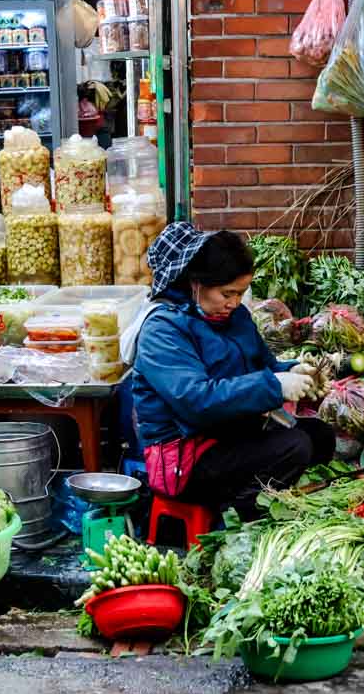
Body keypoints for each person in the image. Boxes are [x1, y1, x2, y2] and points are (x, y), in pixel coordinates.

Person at [125, 223, 335, 521]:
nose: (235, 303)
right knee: (294, 447)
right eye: (227, 293)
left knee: (320, 434)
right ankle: (237, 522)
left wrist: (293, 372)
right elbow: (196, 401)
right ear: (196, 282)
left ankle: (274, 505)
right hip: (186, 459)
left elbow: (261, 368)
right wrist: (275, 386)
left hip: (228, 434)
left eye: (241, 293)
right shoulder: (162, 330)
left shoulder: (235, 317)